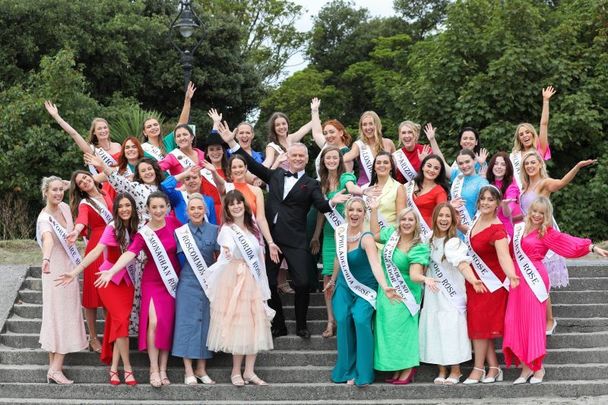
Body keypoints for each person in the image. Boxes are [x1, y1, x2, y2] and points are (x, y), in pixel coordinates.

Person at [217, 122, 349, 339]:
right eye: (293, 155)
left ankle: (301, 325)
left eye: (301, 156)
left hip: (296, 240)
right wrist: (231, 142)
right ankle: (279, 324)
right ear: (288, 156)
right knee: (268, 283)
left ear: (307, 160)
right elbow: (251, 163)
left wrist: (333, 201)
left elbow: (322, 207)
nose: (297, 159)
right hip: (272, 240)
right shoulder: (276, 175)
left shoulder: (312, 184)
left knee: (303, 283)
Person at [504, 196, 608, 384]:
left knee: (534, 322)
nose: (536, 215)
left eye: (541, 213)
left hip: (535, 278)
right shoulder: (519, 228)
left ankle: (538, 369)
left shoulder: (547, 233)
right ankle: (526, 367)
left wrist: (591, 247)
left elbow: (569, 243)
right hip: (517, 280)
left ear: (546, 215)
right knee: (515, 320)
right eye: (534, 211)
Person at [95, 192, 181, 387]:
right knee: (154, 322)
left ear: (167, 207)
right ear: (147, 210)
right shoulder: (144, 233)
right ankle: (153, 369)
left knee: (165, 323)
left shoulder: (175, 223)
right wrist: (112, 271)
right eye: (154, 207)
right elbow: (131, 253)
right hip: (151, 280)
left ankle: (163, 369)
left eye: (162, 207)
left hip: (171, 280)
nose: (158, 211)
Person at [55, 193, 139, 385]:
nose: (125, 209)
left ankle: (113, 369)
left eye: (128, 205)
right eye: (121, 206)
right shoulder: (112, 228)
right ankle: (127, 368)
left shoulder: (135, 228)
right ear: (116, 210)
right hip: (107, 280)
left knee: (120, 323)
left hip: (127, 282)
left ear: (133, 208)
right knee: (120, 321)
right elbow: (96, 251)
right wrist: (75, 272)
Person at [520, 150, 597, 333]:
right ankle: (538, 317)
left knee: (541, 278)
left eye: (533, 162)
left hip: (543, 233)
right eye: (527, 163)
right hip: (528, 234)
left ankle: (549, 319)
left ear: (540, 164)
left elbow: (562, 183)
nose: (530, 166)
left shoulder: (544, 183)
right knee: (533, 277)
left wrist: (577, 166)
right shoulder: (524, 187)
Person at [326, 197, 398, 386]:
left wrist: (385, 286)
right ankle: (346, 370)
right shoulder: (339, 233)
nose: (355, 214)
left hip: (365, 288)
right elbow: (337, 259)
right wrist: (332, 281)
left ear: (364, 214)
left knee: (360, 319)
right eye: (351, 210)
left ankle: (363, 372)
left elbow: (375, 265)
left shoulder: (367, 239)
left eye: (359, 210)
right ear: (346, 212)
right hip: (343, 285)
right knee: (341, 319)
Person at [206, 190, 275, 386]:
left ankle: (250, 371)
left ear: (244, 205)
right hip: (235, 279)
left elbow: (259, 256)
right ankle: (236, 371)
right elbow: (226, 246)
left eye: (239, 203)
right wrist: (226, 250)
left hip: (252, 279)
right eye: (232, 204)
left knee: (255, 325)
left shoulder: (252, 228)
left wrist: (263, 285)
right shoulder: (227, 229)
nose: (236, 206)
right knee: (239, 324)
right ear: (227, 208)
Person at [418, 203, 487, 385]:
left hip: (451, 294)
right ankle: (441, 369)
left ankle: (455, 370)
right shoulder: (427, 239)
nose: (443, 219)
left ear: (453, 220)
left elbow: (462, 264)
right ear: (435, 218)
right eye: (440, 215)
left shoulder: (454, 242)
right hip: (434, 294)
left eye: (447, 216)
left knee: (451, 330)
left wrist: (473, 280)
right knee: (436, 330)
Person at [309, 146, 372, 338]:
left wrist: (362, 192)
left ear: (340, 160)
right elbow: (322, 211)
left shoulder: (346, 178)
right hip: (329, 235)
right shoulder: (320, 185)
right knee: (329, 278)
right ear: (323, 161)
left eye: (335, 157)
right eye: (328, 158)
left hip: (347, 234)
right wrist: (315, 236)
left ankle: (348, 318)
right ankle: (331, 321)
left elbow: (353, 189)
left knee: (348, 275)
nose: (331, 161)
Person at [461, 186, 520, 384]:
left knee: (480, 326)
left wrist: (512, 275)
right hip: (475, 282)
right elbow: (472, 239)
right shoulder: (477, 220)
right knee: (480, 327)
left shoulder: (497, 229)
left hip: (491, 285)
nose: (485, 202)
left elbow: (504, 257)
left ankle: (478, 369)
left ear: (497, 204)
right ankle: (493, 368)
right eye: (483, 199)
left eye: (490, 199)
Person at [368, 201, 431, 384]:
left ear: (416, 223)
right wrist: (373, 210)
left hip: (407, 293)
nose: (406, 222)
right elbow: (374, 235)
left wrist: (425, 279)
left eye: (411, 219)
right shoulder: (390, 235)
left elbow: (415, 274)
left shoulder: (419, 246)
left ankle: (408, 367)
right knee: (387, 329)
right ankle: (396, 367)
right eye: (403, 219)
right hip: (386, 290)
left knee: (404, 331)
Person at [36, 176, 88, 384]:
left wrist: (63, 183)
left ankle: (52, 368)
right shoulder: (44, 218)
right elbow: (48, 239)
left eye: (60, 190)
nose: (58, 193)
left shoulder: (65, 207)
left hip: (69, 268)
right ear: (45, 192)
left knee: (64, 314)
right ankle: (56, 369)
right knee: (59, 316)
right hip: (54, 269)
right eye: (53, 190)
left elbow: (69, 184)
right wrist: (46, 259)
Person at [172, 194, 220, 385]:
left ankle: (201, 369)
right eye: (192, 208)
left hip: (208, 283)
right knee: (186, 323)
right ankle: (188, 370)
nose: (197, 211)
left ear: (206, 210)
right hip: (188, 283)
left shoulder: (215, 230)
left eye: (200, 208)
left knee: (205, 325)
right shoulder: (180, 232)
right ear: (187, 212)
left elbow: (221, 256)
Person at [66, 170, 113, 354]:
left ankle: (111, 334)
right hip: (97, 246)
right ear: (79, 189)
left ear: (91, 177)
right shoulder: (85, 203)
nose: (84, 182)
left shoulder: (106, 192)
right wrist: (77, 231)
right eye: (80, 183)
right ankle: (93, 337)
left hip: (113, 245)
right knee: (93, 296)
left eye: (85, 178)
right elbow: (82, 220)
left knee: (111, 294)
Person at [44, 101, 121, 195]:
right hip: (108, 187)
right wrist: (56, 116)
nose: (103, 131)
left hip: (123, 182)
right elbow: (74, 134)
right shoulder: (92, 151)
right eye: (99, 129)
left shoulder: (118, 146)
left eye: (105, 128)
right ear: (94, 132)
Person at [85, 153, 165, 222]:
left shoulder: (164, 187)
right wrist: (103, 166)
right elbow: (121, 182)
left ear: (155, 170)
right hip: (148, 234)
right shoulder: (137, 188)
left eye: (149, 169)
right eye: (143, 171)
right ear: (139, 176)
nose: (147, 172)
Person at [510, 86, 556, 190]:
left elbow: (543, 124)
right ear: (519, 139)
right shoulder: (514, 156)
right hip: (518, 195)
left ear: (533, 134)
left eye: (527, 132)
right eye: (521, 134)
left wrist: (546, 101)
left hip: (537, 192)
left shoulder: (539, 150)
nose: (525, 135)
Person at [140, 81, 196, 161]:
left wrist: (187, 100)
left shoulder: (167, 142)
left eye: (155, 125)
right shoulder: (142, 149)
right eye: (149, 126)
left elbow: (181, 124)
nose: (153, 127)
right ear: (144, 132)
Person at [343, 111, 396, 186]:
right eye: (364, 125)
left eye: (371, 124)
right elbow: (348, 157)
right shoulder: (359, 145)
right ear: (361, 127)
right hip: (365, 188)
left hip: (387, 187)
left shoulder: (388, 143)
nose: (368, 128)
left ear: (377, 125)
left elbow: (397, 168)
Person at [405, 154, 449, 235]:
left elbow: (443, 214)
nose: (431, 170)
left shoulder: (440, 191)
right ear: (422, 167)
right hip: (407, 227)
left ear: (439, 172)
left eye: (436, 168)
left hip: (426, 232)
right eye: (429, 166)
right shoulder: (411, 185)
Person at [450, 149, 489, 235]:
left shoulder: (482, 182)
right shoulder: (458, 178)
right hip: (455, 231)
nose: (464, 166)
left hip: (474, 230)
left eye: (467, 162)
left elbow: (488, 209)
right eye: (461, 163)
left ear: (475, 161)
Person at [309, 99, 353, 173]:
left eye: (332, 132)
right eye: (325, 133)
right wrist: (315, 111)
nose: (328, 136)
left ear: (341, 133)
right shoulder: (326, 145)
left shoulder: (346, 152)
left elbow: (346, 176)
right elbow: (316, 132)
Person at [367, 151, 405, 233]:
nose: (382, 165)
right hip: (366, 237)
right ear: (374, 167)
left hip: (386, 237)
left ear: (391, 167)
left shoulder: (398, 188)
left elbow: (401, 219)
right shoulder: (367, 189)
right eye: (378, 163)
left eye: (386, 162)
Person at [486, 152, 522, 238]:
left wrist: (505, 205)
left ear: (507, 168)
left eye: (503, 164)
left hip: (503, 231)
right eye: (496, 164)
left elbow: (507, 213)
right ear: (491, 166)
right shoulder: (487, 182)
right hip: (487, 227)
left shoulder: (512, 187)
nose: (499, 167)